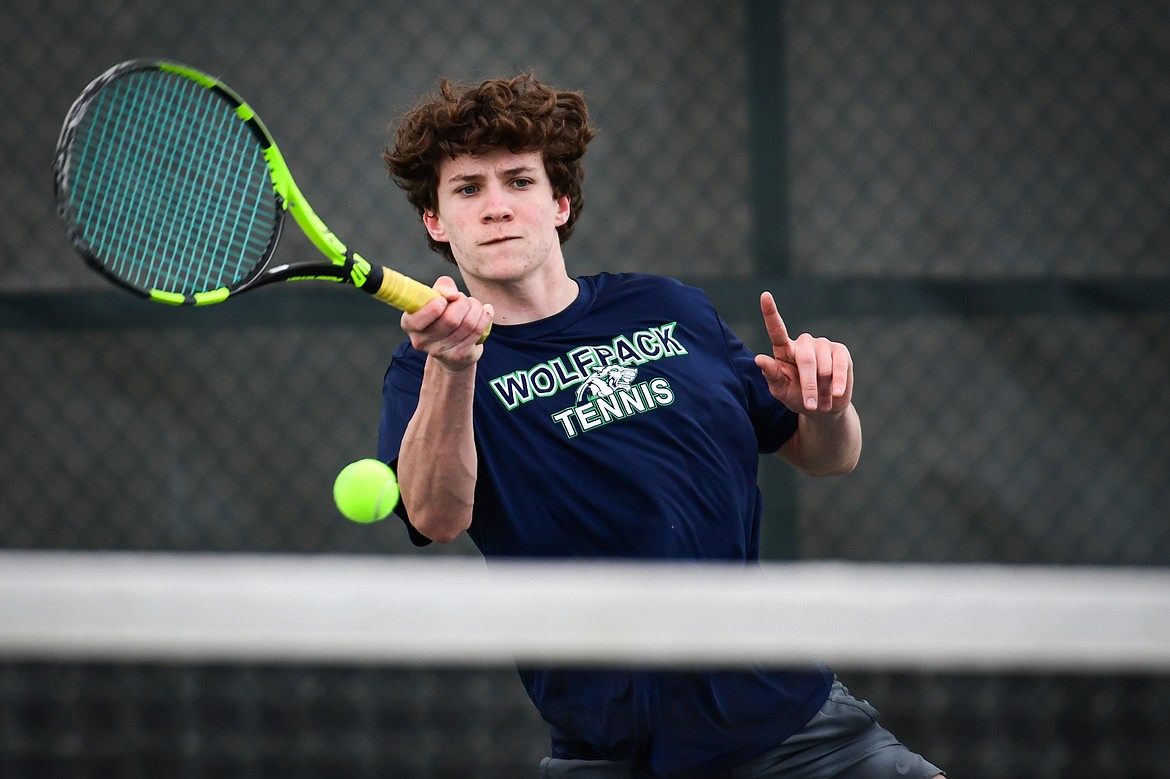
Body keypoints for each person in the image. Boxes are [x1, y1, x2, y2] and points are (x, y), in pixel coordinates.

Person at [376, 74, 943, 779]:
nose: (496, 208)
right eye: (467, 190)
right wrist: (454, 367)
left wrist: (826, 408)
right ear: (436, 220)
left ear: (558, 202)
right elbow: (434, 515)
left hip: (795, 727)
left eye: (518, 182)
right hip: (614, 755)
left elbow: (828, 457)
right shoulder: (425, 372)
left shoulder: (669, 307)